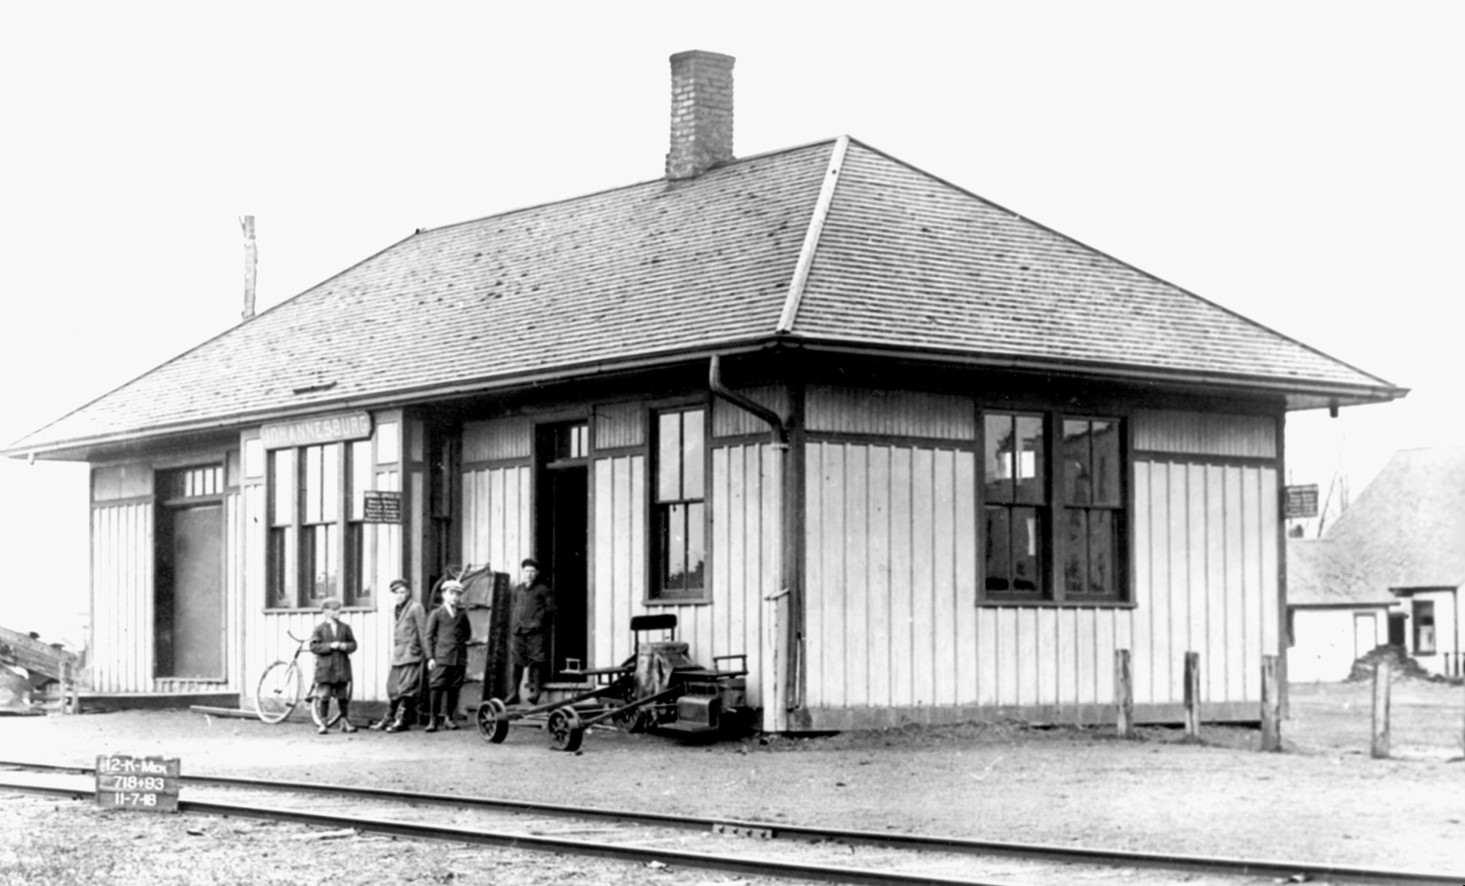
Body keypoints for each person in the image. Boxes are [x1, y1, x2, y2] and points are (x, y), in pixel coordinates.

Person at [376, 578, 428, 733]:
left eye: (402, 592)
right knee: (393, 687)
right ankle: (388, 718)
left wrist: (427, 654)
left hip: (411, 653)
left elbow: (422, 631)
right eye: (396, 593)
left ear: (408, 593)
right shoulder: (397, 609)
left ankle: (401, 721)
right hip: (399, 655)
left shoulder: (416, 608)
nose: (399, 595)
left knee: (406, 688)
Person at [424, 579, 471, 732]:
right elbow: (428, 636)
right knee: (437, 687)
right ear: (444, 595)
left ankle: (449, 718)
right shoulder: (437, 614)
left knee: (454, 688)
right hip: (441, 657)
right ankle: (433, 720)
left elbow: (467, 634)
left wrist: (457, 645)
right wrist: (430, 657)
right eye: (451, 593)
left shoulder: (462, 614)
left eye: (458, 594)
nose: (454, 597)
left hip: (458, 657)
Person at [308, 598, 358, 735]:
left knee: (343, 695)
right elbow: (313, 646)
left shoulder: (345, 628)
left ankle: (344, 721)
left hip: (341, 667)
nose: (338, 612)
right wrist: (329, 646)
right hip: (325, 669)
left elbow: (353, 645)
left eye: (339, 609)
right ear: (326, 612)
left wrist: (344, 646)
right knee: (324, 695)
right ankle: (323, 722)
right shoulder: (319, 629)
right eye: (335, 610)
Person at [510, 557, 556, 705]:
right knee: (517, 662)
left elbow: (551, 609)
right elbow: (516, 608)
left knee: (537, 661)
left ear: (537, 573)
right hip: (519, 632)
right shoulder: (518, 590)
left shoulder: (543, 589)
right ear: (522, 572)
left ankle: (536, 692)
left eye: (532, 571)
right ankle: (514, 693)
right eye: (526, 571)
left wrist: (538, 622)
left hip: (536, 633)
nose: (528, 574)